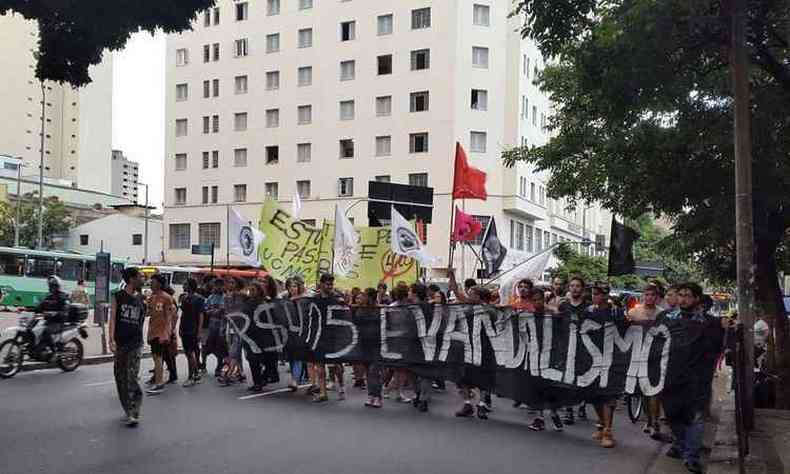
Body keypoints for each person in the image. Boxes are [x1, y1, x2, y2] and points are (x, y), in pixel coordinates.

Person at [659, 282, 726, 473]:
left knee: (695, 417)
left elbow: (718, 347)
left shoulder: (710, 322)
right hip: (671, 377)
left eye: (687, 295)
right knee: (673, 415)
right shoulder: (665, 318)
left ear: (697, 298)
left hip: (697, 379)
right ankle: (680, 444)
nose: (683, 299)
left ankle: (691, 456)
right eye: (680, 295)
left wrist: (728, 329)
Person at [586, 283, 625, 448]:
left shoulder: (615, 312)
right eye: (593, 293)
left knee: (608, 396)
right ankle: (602, 424)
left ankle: (608, 431)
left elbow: (624, 331)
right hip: (592, 358)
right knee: (594, 395)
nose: (594, 296)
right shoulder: (589, 311)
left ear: (605, 295)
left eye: (597, 293)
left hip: (611, 358)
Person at [109, 267, 145, 427]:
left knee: (132, 377)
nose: (143, 280)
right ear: (132, 279)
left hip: (135, 343)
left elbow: (142, 321)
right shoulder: (118, 296)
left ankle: (134, 411)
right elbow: (113, 318)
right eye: (141, 277)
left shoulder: (142, 299)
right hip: (120, 343)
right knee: (120, 377)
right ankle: (127, 409)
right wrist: (111, 339)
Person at [526, 289, 567, 432]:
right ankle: (540, 417)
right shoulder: (528, 314)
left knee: (550, 387)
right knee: (536, 386)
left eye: (539, 299)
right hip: (534, 354)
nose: (537, 302)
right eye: (534, 300)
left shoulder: (551, 313)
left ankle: (554, 413)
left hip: (551, 355)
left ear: (543, 299)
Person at [628, 284, 664, 438]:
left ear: (657, 297)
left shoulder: (662, 314)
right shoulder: (634, 312)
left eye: (652, 295)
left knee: (654, 391)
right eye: (647, 294)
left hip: (656, 357)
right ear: (643, 295)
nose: (649, 297)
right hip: (638, 357)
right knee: (643, 392)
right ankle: (649, 419)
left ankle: (655, 421)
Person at [558, 276, 589, 424]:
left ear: (582, 289)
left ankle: (582, 405)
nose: (574, 288)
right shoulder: (564, 306)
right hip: (567, 347)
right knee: (568, 379)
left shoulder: (588, 307)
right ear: (568, 288)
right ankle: (569, 410)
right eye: (572, 286)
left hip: (584, 348)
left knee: (581, 379)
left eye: (577, 286)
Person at [145, 274, 177, 395]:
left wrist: (166, 333)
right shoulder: (152, 298)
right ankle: (158, 381)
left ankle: (159, 383)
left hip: (161, 333)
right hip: (153, 331)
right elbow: (150, 314)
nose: (151, 284)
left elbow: (169, 317)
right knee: (156, 357)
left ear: (159, 283)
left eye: (153, 281)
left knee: (158, 358)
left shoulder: (167, 298)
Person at [179, 278, 205, 387]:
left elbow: (201, 315)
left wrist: (199, 331)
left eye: (185, 284)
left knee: (190, 353)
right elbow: (183, 315)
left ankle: (192, 376)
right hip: (185, 328)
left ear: (190, 286)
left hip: (193, 329)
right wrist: (180, 327)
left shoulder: (198, 299)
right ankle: (196, 374)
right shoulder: (184, 298)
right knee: (188, 353)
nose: (183, 285)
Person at [34, 276, 70, 354]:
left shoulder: (63, 297)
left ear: (57, 286)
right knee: (35, 330)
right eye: (50, 286)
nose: (51, 288)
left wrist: (55, 313)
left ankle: (54, 351)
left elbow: (65, 312)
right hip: (49, 321)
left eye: (53, 286)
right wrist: (28, 310)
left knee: (46, 331)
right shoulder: (49, 297)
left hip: (59, 322)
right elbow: (40, 307)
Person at [204, 278, 228, 377]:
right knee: (207, 346)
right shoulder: (210, 297)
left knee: (221, 347)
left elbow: (224, 310)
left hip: (222, 326)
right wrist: (215, 311)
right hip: (211, 326)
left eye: (220, 285)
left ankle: (219, 367)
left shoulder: (226, 297)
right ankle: (203, 365)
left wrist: (215, 311)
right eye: (216, 285)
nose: (218, 287)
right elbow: (206, 310)